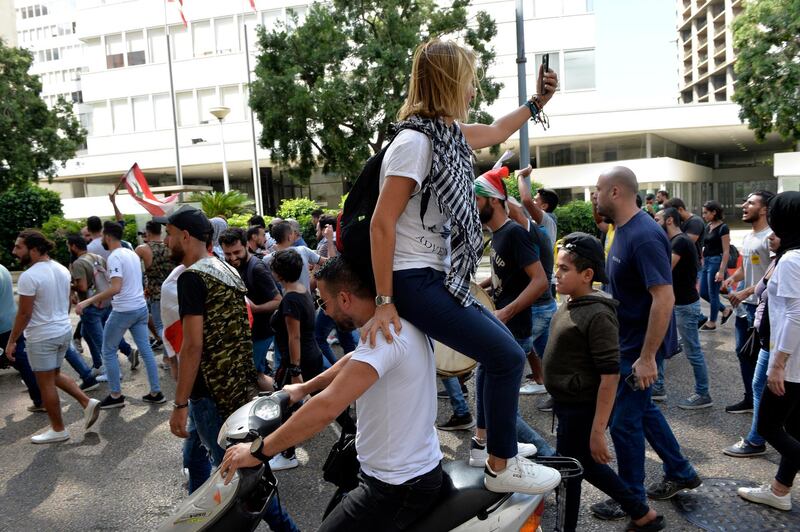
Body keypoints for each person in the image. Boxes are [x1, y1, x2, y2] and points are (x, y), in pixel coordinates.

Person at [366, 38, 561, 495]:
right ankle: (500, 464)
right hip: (413, 279)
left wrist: (538, 102)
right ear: (451, 82)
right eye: (469, 80)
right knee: (508, 354)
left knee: (500, 347)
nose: (473, 90)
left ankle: (484, 445)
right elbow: (381, 224)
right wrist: (383, 302)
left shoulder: (445, 135)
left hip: (433, 276)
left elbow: (495, 132)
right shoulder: (415, 143)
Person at [220, 255, 445, 531]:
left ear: (345, 298)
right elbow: (354, 358)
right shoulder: (390, 324)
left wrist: (258, 451)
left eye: (324, 303)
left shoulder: (384, 338)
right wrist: (303, 387)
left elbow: (325, 408)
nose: (324, 312)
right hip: (400, 471)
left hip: (396, 486)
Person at [160, 206, 298, 531]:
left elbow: (192, 346)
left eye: (168, 235)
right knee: (195, 456)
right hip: (234, 387)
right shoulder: (225, 269)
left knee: (238, 479)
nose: (166, 243)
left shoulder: (192, 278)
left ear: (184, 236)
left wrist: (180, 404)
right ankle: (193, 519)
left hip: (209, 394)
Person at [592, 166, 700, 520]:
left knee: (624, 424)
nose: (594, 195)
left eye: (598, 190)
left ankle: (631, 498)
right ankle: (681, 471)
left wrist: (648, 357)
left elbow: (664, 298)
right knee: (645, 414)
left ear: (616, 193)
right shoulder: (621, 230)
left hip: (638, 351)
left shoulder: (644, 235)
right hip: (627, 343)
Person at [545, 232, 664, 532]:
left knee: (574, 467)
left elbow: (610, 376)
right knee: (579, 465)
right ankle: (641, 514)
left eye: (564, 269)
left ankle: (573, 525)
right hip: (567, 404)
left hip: (581, 408)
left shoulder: (598, 314)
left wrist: (598, 430)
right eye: (556, 267)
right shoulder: (572, 302)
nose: (556, 274)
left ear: (587, 275)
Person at [470, 168, 554, 459]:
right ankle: (481, 445)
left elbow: (540, 280)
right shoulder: (497, 236)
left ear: (492, 201)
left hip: (515, 330)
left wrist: (505, 312)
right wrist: (475, 287)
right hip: (500, 328)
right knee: (483, 395)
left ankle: (549, 458)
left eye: (475, 199)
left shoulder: (515, 233)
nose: (471, 205)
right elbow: (502, 278)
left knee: (501, 409)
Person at [5, 230, 100, 443]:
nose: (14, 251)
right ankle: (87, 402)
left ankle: (58, 430)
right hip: (62, 331)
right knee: (54, 375)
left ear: (35, 249)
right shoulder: (61, 269)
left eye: (19, 247)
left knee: (45, 383)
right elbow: (67, 300)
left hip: (42, 336)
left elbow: (24, 313)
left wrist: (12, 341)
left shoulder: (29, 276)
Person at [737, 191, 800, 512]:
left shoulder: (792, 259)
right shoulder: (793, 254)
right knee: (795, 428)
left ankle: (779, 490)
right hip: (794, 362)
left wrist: (778, 364)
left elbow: (794, 315)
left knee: (767, 427)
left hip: (791, 365)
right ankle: (779, 490)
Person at [75, 222, 163, 409]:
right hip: (140, 308)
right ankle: (156, 392)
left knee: (108, 350)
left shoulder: (115, 257)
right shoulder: (131, 253)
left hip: (124, 310)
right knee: (146, 350)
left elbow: (116, 288)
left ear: (107, 236)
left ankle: (116, 395)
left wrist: (87, 301)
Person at [268, 248, 324, 471]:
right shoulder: (302, 290)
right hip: (311, 356)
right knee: (326, 400)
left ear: (278, 274)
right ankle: (352, 432)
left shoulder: (290, 299)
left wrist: (294, 368)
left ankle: (288, 454)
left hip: (300, 360)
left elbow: (294, 336)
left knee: (283, 407)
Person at [725, 232, 779, 458]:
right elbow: (748, 269)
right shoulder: (781, 257)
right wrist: (735, 280)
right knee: (751, 368)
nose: (772, 236)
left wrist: (782, 357)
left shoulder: (790, 260)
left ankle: (758, 439)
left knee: (763, 383)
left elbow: (793, 313)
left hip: (777, 339)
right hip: (765, 330)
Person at [721, 191, 774, 414]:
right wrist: (732, 279)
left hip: (762, 306)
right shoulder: (750, 236)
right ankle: (750, 399)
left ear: (764, 210)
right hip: (746, 306)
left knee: (761, 358)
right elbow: (746, 268)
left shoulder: (770, 236)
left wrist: (746, 292)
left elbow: (773, 274)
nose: (744, 206)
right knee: (743, 353)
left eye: (750, 203)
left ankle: (765, 406)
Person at [654, 208, 712, 409]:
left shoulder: (679, 241)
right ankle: (658, 386)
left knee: (693, 351)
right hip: (674, 303)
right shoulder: (675, 241)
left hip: (685, 305)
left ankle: (703, 393)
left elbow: (664, 269)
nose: (655, 222)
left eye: (657, 219)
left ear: (669, 220)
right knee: (659, 344)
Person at [513, 166, 558, 398]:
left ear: (545, 206)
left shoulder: (546, 221)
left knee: (521, 345)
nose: (533, 202)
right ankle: (547, 383)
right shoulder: (533, 225)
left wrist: (521, 176)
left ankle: (550, 386)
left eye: (538, 200)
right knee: (542, 347)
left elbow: (525, 199)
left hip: (543, 291)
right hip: (541, 291)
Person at [218, 228, 281, 390]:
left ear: (247, 245)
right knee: (256, 374)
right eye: (228, 254)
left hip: (262, 333)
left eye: (236, 252)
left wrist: (254, 308)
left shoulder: (257, 268)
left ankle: (287, 406)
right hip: (249, 334)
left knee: (251, 375)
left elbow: (278, 301)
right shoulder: (235, 265)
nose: (232, 258)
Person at [67, 234, 135, 377]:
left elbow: (83, 287)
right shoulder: (97, 257)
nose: (68, 249)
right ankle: (99, 364)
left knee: (100, 340)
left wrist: (70, 286)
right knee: (87, 333)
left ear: (73, 246)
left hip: (90, 306)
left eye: (68, 246)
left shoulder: (79, 263)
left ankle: (114, 371)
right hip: (105, 302)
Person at [314, 216, 358, 368]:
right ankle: (349, 369)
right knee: (345, 337)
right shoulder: (341, 241)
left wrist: (329, 240)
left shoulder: (330, 243)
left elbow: (332, 269)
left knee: (318, 336)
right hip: (338, 297)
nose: (315, 231)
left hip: (335, 297)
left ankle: (335, 369)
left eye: (317, 227)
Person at [0, 263, 44, 412]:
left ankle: (40, 399)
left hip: (2, 324)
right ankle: (40, 399)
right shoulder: (2, 268)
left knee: (21, 359)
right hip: (10, 320)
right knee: (20, 358)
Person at [135, 221, 171, 347]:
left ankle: (172, 356)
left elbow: (132, 269)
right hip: (171, 291)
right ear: (161, 232)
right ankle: (168, 358)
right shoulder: (170, 246)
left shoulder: (142, 249)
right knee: (170, 326)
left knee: (160, 327)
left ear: (147, 232)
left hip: (155, 293)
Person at [698, 200, 732, 331]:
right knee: (703, 292)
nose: (704, 215)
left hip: (716, 261)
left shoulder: (723, 228)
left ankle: (712, 322)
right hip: (706, 261)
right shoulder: (708, 226)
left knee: (712, 293)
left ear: (714, 212)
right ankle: (725, 310)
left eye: (706, 212)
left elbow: (726, 250)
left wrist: (721, 271)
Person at [267, 221, 326, 293]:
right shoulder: (303, 251)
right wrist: (329, 239)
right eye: (293, 232)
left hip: (284, 300)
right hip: (305, 298)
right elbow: (329, 261)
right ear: (289, 237)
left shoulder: (267, 259)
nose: (295, 234)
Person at [663, 198, 704, 264]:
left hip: (691, 264)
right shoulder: (680, 222)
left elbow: (684, 243)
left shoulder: (695, 222)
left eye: (673, 213)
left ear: (680, 209)